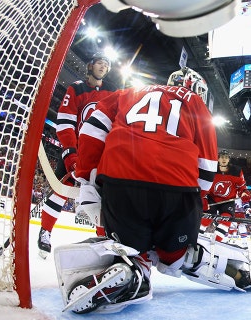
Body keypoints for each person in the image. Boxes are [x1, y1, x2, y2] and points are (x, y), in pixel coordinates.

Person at [55, 67, 219, 314]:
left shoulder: (127, 92)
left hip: (120, 184)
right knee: (174, 256)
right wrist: (195, 203)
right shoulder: (194, 101)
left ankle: (134, 272)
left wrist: (88, 180)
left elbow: (91, 130)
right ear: (193, 86)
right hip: (177, 187)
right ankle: (201, 261)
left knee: (134, 249)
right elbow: (206, 170)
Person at [37, 52, 116, 259]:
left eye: (106, 64)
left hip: (98, 156)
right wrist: (70, 152)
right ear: (90, 66)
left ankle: (103, 240)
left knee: (103, 198)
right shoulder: (76, 88)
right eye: (100, 62)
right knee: (62, 190)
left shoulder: (112, 92)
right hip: (77, 152)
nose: (103, 66)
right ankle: (45, 231)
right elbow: (65, 122)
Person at [199, 149, 251, 244]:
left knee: (226, 219)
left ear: (229, 159)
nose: (224, 159)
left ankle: (215, 243)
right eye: (222, 157)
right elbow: (204, 184)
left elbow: (241, 187)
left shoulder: (237, 171)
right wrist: (203, 198)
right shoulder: (211, 168)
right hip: (212, 199)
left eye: (226, 157)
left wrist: (244, 193)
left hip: (228, 200)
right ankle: (197, 239)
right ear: (218, 159)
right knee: (205, 219)